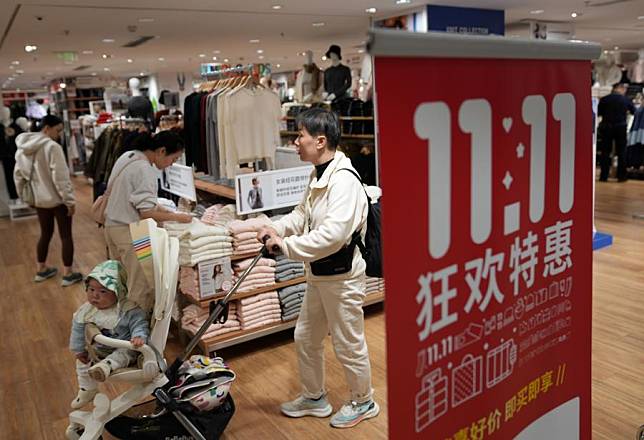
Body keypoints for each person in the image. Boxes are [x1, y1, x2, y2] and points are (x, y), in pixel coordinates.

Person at [257, 108, 378, 429]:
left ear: (320, 141)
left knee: (348, 343)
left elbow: (334, 235)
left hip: (343, 278)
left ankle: (364, 401)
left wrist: (287, 247)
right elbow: (301, 215)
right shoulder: (318, 174)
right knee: (306, 336)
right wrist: (277, 228)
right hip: (320, 274)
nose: (295, 142)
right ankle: (314, 397)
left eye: (300, 136)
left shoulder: (344, 182)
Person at [104, 130, 192, 311]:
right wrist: (177, 217)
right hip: (133, 233)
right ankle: (139, 333)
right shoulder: (145, 170)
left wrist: (162, 210)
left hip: (112, 227)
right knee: (142, 284)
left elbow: (131, 197)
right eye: (173, 159)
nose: (171, 165)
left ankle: (125, 325)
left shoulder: (129, 156)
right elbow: (146, 213)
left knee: (124, 281)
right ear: (161, 151)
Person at [69, 260, 149, 409]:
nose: (95, 296)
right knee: (81, 362)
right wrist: (79, 349)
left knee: (124, 352)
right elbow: (78, 328)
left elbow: (140, 323)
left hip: (125, 347)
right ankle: (87, 389)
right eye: (91, 290)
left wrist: (139, 336)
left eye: (103, 291)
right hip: (99, 349)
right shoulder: (87, 310)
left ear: (118, 292)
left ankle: (105, 367)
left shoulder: (128, 310)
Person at [14, 114, 83, 286]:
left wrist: (24, 196)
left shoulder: (22, 148)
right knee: (66, 235)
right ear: (47, 128)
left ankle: (41, 269)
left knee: (45, 233)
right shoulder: (52, 147)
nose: (59, 134)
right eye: (58, 130)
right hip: (58, 200)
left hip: (39, 200)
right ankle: (68, 274)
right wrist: (69, 201)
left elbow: (18, 176)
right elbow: (60, 178)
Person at [598, 82, 636, 182]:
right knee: (621, 152)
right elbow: (634, 111)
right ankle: (621, 176)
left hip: (606, 126)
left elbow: (599, 112)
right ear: (619, 88)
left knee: (605, 152)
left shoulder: (605, 99)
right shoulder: (625, 99)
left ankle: (604, 176)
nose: (625, 90)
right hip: (620, 127)